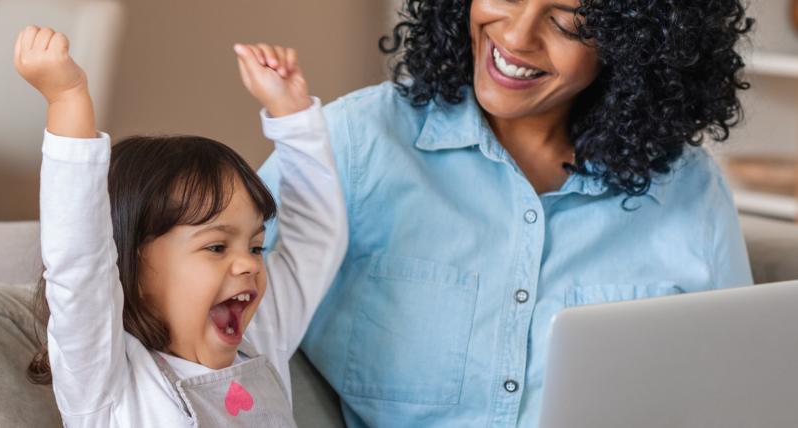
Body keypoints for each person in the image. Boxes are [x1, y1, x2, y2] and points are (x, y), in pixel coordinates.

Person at [257, 0, 755, 426]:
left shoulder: (690, 191)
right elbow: (205, 320)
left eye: (567, 20)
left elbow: (741, 396)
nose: (517, 35)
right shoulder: (355, 144)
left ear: (632, 44)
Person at [15, 25, 346, 427]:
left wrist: (291, 115)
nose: (248, 265)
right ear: (130, 264)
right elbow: (79, 263)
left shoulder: (261, 339)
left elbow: (315, 238)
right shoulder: (108, 381)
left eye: (256, 247)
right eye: (217, 247)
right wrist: (68, 100)